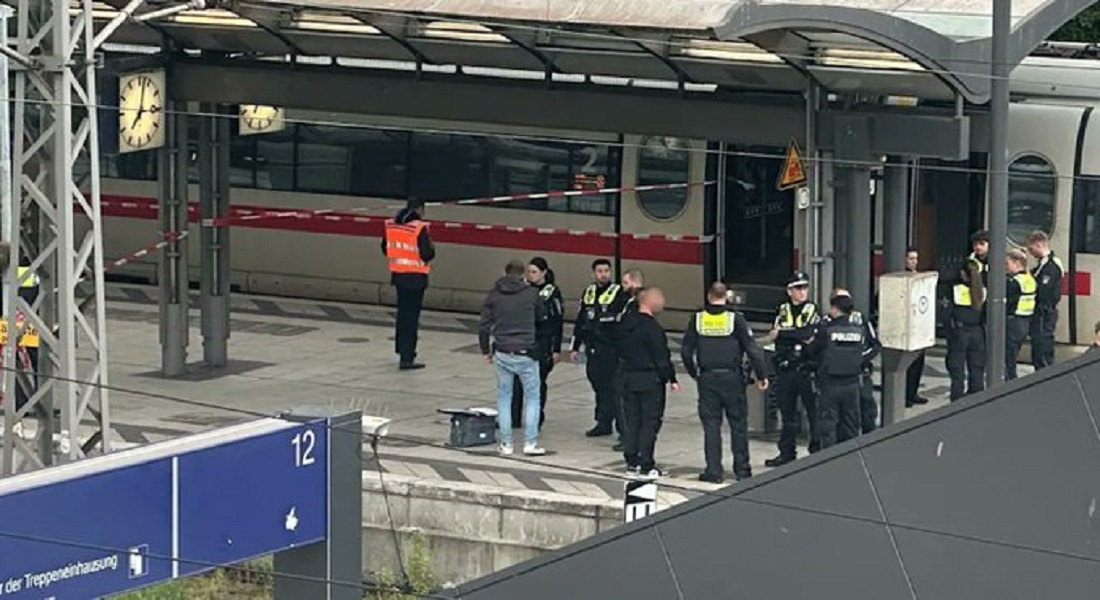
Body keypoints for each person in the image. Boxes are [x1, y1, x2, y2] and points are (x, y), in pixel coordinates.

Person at [681, 282, 770, 483]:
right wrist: (761, 375)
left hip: (707, 378)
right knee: (738, 425)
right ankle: (742, 471)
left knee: (711, 425)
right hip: (732, 378)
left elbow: (686, 351)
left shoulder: (698, 319)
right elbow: (752, 350)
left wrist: (694, 373)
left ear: (708, 296)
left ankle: (713, 471)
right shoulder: (735, 319)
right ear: (726, 297)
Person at [478, 259, 547, 457]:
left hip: (502, 351)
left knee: (504, 398)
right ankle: (530, 443)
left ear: (504, 272)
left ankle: (506, 444)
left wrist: (485, 351)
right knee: (533, 398)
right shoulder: (532, 294)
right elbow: (542, 319)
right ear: (523, 274)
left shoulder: (494, 295)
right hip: (526, 353)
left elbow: (483, 326)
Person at [617, 287, 678, 479]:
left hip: (628, 377)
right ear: (650, 301)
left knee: (632, 420)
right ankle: (646, 463)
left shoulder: (625, 323)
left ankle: (631, 460)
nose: (663, 302)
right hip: (650, 379)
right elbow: (661, 356)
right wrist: (671, 377)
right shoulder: (652, 328)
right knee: (649, 422)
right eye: (660, 298)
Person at [765, 272, 821, 467]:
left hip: (806, 369)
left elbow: (808, 334)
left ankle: (816, 452)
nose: (802, 291)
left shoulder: (812, 309)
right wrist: (794, 335)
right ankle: (786, 453)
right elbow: (775, 336)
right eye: (798, 288)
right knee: (787, 414)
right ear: (789, 291)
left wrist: (783, 333)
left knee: (813, 413)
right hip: (786, 369)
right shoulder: (782, 310)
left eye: (805, 287)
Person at [381, 198, 435, 370]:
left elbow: (385, 248)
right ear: (420, 209)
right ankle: (407, 356)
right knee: (412, 318)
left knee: (402, 316)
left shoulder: (392, 225)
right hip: (416, 278)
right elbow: (427, 254)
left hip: (399, 276)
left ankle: (401, 350)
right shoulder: (419, 227)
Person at [510, 258, 563, 429]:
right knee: (516, 382)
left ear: (543, 273)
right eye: (529, 272)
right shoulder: (524, 289)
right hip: (523, 341)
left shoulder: (551, 292)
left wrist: (556, 348)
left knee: (537, 383)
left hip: (542, 341)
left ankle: (536, 418)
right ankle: (514, 417)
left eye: (534, 272)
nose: (531, 275)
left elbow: (557, 322)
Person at [809, 293, 866, 450]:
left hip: (830, 383)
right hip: (852, 383)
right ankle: (851, 457)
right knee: (851, 424)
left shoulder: (827, 330)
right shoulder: (859, 331)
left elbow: (812, 351)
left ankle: (829, 459)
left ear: (835, 309)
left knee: (828, 425)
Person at [570, 259, 619, 437]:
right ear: (594, 273)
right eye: (600, 271)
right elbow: (581, 321)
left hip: (611, 348)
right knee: (597, 383)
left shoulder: (618, 293)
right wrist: (575, 347)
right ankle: (603, 421)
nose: (603, 274)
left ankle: (619, 424)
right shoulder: (588, 292)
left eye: (606, 271)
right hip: (592, 347)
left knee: (612, 386)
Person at [831, 288, 881, 434]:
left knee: (867, 407)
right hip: (836, 377)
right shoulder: (827, 322)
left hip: (860, 373)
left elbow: (875, 345)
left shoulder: (860, 318)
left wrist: (860, 359)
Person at [946, 262, 986, 401]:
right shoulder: (982, 291)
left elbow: (947, 313)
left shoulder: (956, 290)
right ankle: (977, 395)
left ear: (963, 273)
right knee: (977, 366)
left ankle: (957, 397)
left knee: (957, 367)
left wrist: (949, 333)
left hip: (960, 331)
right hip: (977, 331)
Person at [1026, 231, 1064, 370]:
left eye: (1031, 249)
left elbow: (1043, 291)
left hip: (1044, 311)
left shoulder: (1050, 266)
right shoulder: (1043, 264)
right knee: (1038, 345)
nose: (1030, 253)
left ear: (1039, 245)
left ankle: (1044, 371)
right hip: (1042, 311)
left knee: (1042, 345)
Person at [1005, 249, 1037, 381]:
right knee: (1013, 355)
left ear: (1017, 263)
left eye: (1007, 263)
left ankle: (1009, 382)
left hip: (1013, 321)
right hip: (1025, 322)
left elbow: (1007, 303)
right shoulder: (1030, 279)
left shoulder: (1014, 282)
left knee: (1007, 358)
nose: (1005, 267)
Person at [904, 248, 929, 407]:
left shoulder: (919, 277)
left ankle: (913, 393)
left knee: (918, 363)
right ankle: (906, 395)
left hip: (918, 325)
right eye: (911, 258)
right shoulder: (903, 277)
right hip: (907, 325)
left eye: (916, 258)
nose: (914, 262)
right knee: (907, 364)